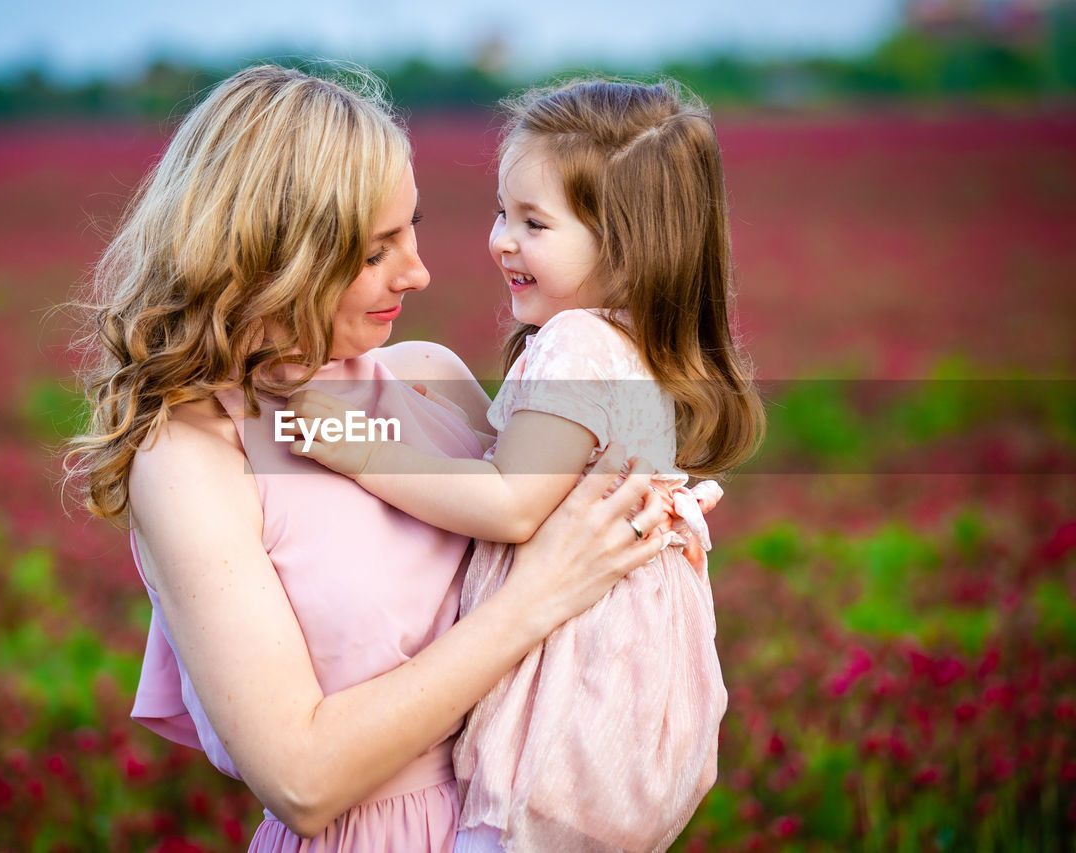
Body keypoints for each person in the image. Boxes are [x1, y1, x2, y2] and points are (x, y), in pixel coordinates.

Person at [65, 64, 685, 852]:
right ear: (270, 252)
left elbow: (580, 575)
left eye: (413, 229)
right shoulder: (192, 454)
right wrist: (534, 598)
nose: (418, 272)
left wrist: (648, 517)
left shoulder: (432, 379)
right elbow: (302, 778)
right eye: (373, 251)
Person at [288, 78, 765, 852]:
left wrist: (354, 444)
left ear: (628, 243)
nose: (502, 239)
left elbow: (509, 502)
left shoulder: (578, 343)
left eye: (534, 222)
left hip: (562, 737)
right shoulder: (628, 348)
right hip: (613, 731)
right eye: (502, 212)